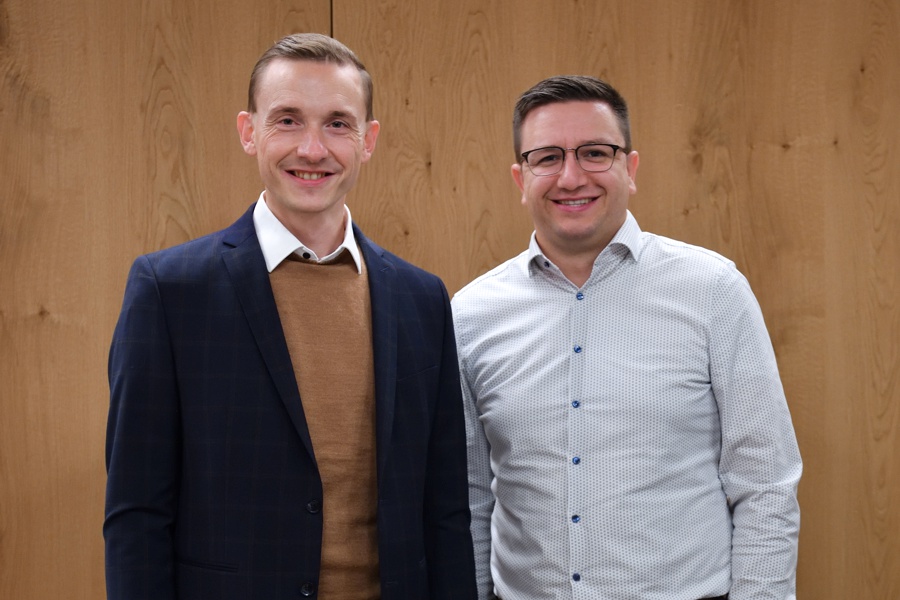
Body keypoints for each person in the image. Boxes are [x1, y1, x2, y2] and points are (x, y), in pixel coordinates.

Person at [105, 33, 477, 600]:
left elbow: (445, 510)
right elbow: (137, 513)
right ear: (248, 131)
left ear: (368, 140)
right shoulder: (170, 290)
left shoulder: (422, 300)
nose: (312, 148)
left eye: (337, 123)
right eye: (287, 120)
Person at [452, 75, 802, 600]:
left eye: (595, 153)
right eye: (547, 157)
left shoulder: (713, 291)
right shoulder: (470, 315)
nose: (571, 177)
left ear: (630, 169)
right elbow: (471, 497)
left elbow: (765, 484)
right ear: (520, 178)